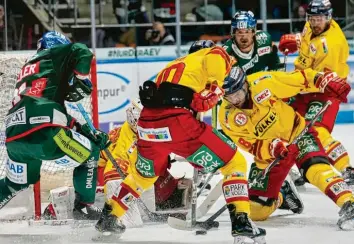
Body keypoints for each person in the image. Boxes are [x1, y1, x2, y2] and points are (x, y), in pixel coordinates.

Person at [95, 40, 266, 243]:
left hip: (148, 125)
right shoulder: (217, 54)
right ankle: (241, 221)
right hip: (176, 122)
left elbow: (175, 97)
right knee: (233, 161)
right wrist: (215, 89)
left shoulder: (175, 65)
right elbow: (211, 79)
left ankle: (110, 216)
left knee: (142, 177)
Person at [218, 66, 354, 228]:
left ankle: (348, 203)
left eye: (237, 93)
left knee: (316, 170)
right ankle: (283, 195)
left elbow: (300, 79)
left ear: (245, 85)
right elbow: (251, 146)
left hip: (298, 133)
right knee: (255, 211)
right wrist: (271, 148)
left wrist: (325, 81)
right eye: (229, 97)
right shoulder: (227, 117)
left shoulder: (264, 83)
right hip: (273, 155)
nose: (235, 100)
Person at [0, 31, 110, 220]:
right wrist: (80, 77)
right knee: (90, 152)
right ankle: (83, 207)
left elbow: (52, 113)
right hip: (45, 134)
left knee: (15, 182)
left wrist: (86, 132)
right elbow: (81, 50)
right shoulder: (54, 54)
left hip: (15, 138)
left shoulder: (30, 68)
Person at [278, 0, 354, 186]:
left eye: (319, 19)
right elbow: (307, 44)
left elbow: (317, 80)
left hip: (325, 89)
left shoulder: (331, 44)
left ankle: (347, 170)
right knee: (282, 123)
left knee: (317, 131)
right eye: (311, 18)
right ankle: (294, 169)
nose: (314, 22)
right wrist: (297, 40)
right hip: (305, 86)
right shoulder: (310, 26)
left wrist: (288, 86)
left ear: (328, 17)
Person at [99, 99, 194, 218]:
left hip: (124, 170)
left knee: (157, 173)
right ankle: (114, 215)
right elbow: (114, 173)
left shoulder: (143, 130)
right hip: (106, 173)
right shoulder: (127, 136)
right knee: (150, 177)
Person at [223, 10, 284, 74]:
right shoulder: (226, 53)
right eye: (239, 32)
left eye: (247, 31)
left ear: (253, 32)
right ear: (234, 34)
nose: (244, 37)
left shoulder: (264, 40)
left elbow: (276, 68)